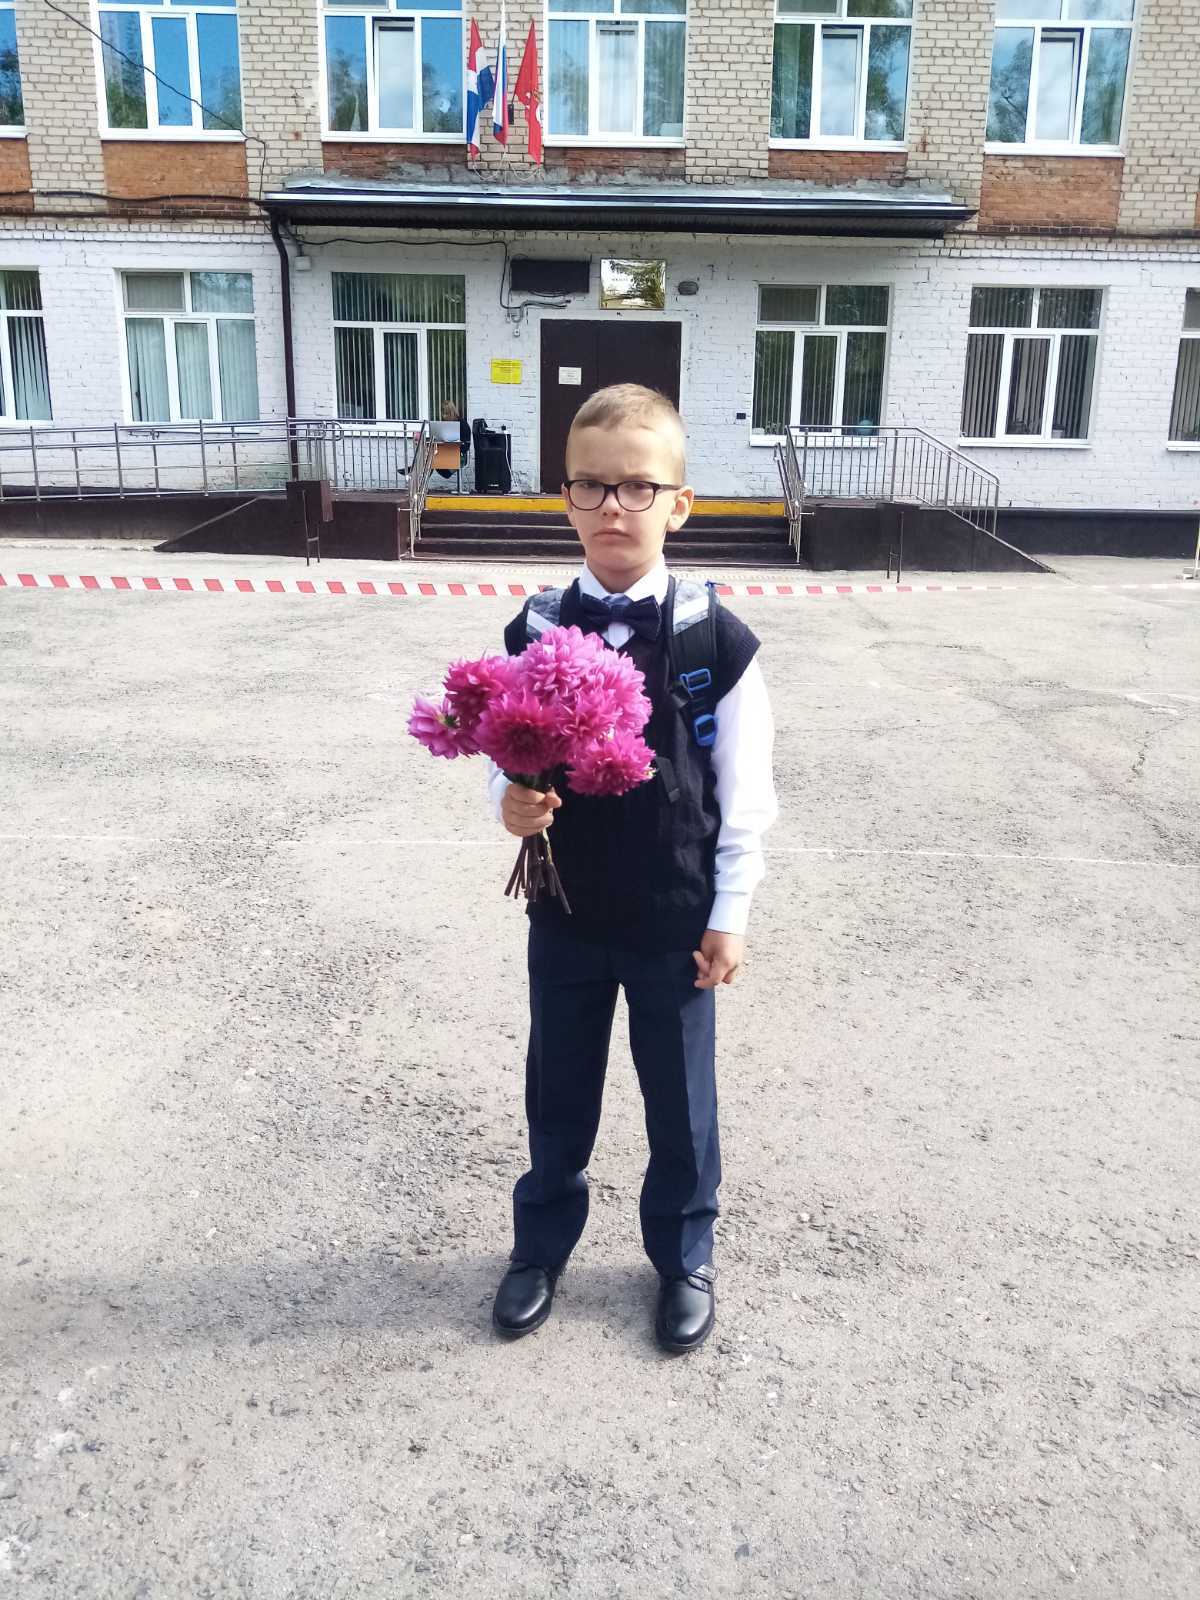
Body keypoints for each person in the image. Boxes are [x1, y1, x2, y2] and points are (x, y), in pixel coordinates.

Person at [485, 383, 777, 1353]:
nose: (615, 506)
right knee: (557, 1089)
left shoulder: (714, 640)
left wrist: (729, 914)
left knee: (680, 1105)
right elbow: (504, 750)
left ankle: (683, 1255)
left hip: (672, 919)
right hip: (566, 912)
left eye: (640, 487)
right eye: (593, 486)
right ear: (566, 498)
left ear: (679, 503)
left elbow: (746, 792)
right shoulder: (534, 630)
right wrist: (509, 802)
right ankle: (540, 1248)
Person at [435, 401, 471, 480]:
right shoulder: (444, 425)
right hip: (445, 453)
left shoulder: (463, 424)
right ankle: (419, 478)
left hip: (459, 455)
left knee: (432, 460)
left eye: (446, 414)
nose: (444, 416)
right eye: (443, 414)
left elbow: (466, 446)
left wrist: (454, 444)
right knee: (429, 457)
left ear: (452, 413)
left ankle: (415, 472)